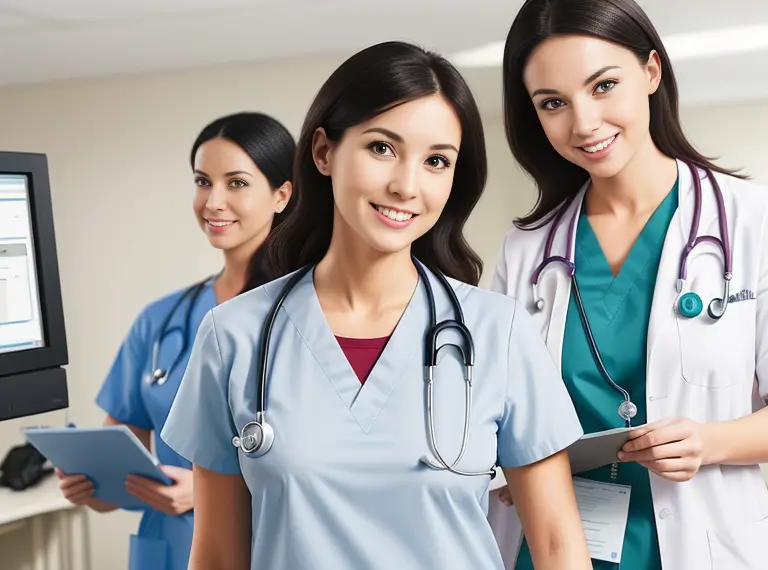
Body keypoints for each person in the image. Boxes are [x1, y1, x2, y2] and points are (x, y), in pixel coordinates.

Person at [160, 41, 593, 570]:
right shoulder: (234, 335)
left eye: (436, 161)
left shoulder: (497, 332)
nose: (406, 185)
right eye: (382, 148)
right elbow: (219, 556)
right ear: (323, 152)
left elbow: (556, 547)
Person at [487, 0, 768, 568]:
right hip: (549, 547)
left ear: (651, 72)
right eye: (553, 103)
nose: (583, 123)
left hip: (700, 541)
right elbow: (492, 421)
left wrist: (709, 442)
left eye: (603, 85)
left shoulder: (750, 221)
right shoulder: (525, 251)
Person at [55, 111, 295, 570]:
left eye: (236, 183)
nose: (213, 201)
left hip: (263, 549)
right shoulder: (161, 320)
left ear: (282, 194)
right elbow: (121, 467)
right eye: (203, 182)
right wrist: (91, 486)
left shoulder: (309, 314)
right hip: (167, 551)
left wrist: (210, 491)